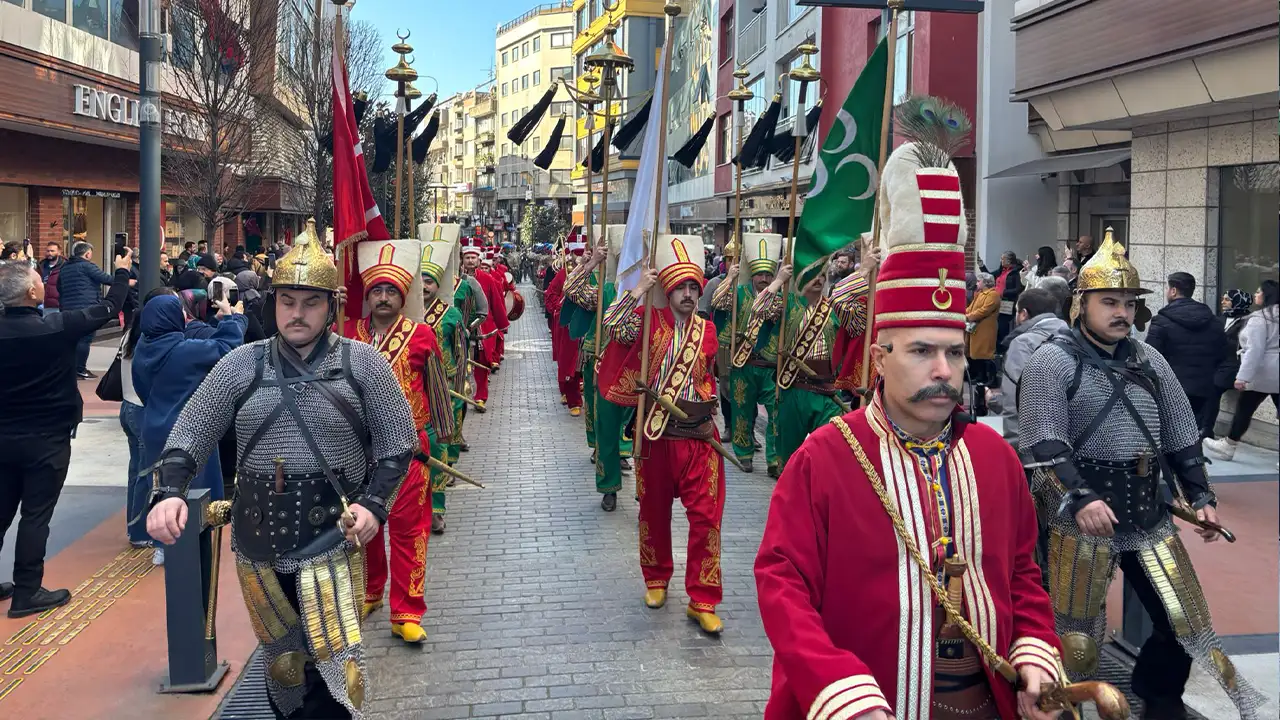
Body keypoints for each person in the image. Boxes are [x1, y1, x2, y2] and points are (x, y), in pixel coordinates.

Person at [755, 141, 1065, 720]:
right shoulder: (825, 456)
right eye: (921, 351)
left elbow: (1023, 573)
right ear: (879, 358)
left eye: (953, 350)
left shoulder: (995, 456)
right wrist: (837, 685)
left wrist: (1035, 651)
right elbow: (782, 583)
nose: (943, 370)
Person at [145, 224, 418, 719]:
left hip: (332, 538)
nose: (296, 313)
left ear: (330, 305)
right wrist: (167, 492)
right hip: (259, 542)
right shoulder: (240, 365)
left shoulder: (365, 366)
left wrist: (374, 503)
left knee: (338, 673)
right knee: (284, 669)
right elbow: (191, 432)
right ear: (273, 303)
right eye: (287, 300)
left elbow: (399, 444)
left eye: (310, 302)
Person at [1018, 232, 1265, 719]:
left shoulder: (1149, 359)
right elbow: (1044, 442)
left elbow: (1178, 431)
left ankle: (1159, 700)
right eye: (1110, 302)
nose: (1122, 313)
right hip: (1079, 512)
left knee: (1185, 625)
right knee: (1077, 638)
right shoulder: (1052, 359)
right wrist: (1081, 497)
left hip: (1148, 512)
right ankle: (1066, 708)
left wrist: (1200, 494)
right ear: (1082, 304)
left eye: (1129, 304)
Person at [599, 234, 726, 635]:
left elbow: (708, 375)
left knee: (706, 518)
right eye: (680, 288)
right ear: (668, 292)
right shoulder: (650, 323)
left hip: (699, 437)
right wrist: (638, 290)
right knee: (653, 515)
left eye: (693, 287)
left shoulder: (707, 330)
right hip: (655, 437)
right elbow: (612, 325)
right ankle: (656, 580)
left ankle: (703, 599)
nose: (688, 294)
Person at [0, 250, 131, 616]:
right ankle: (27, 591)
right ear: (30, 294)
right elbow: (109, 308)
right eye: (38, 281)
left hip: (4, 435)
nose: (43, 283)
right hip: (47, 437)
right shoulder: (57, 327)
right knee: (35, 515)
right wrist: (122, 273)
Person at [344, 239, 453, 644]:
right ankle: (372, 589)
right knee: (364, 527)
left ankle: (406, 610)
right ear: (368, 296)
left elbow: (437, 388)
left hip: (410, 451)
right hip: (359, 451)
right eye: (377, 291)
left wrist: (442, 438)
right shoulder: (349, 334)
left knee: (409, 531)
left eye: (391, 291)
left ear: (402, 295)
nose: (384, 297)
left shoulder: (421, 335)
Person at [739, 253, 871, 471]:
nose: (818, 279)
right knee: (789, 460)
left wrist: (865, 272)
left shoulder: (835, 306)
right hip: (793, 389)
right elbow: (758, 309)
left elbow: (858, 325)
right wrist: (779, 280)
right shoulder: (787, 304)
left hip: (827, 391)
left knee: (833, 449)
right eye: (811, 274)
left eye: (821, 274)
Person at [134, 292, 247, 514]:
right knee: (195, 500)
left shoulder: (143, 348)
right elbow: (227, 348)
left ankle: (161, 546)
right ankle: (190, 546)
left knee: (161, 492)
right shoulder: (183, 351)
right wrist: (231, 317)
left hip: (153, 425)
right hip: (188, 430)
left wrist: (215, 322)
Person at [565, 239, 638, 511]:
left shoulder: (652, 293)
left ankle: (647, 486)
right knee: (605, 429)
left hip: (640, 371)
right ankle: (609, 486)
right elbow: (570, 289)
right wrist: (592, 262)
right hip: (604, 366)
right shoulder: (606, 290)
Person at [710, 233, 783, 476]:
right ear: (752, 274)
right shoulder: (738, 291)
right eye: (760, 274)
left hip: (770, 366)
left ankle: (774, 459)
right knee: (742, 410)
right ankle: (744, 453)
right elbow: (717, 303)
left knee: (775, 412)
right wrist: (729, 279)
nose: (763, 279)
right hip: (743, 362)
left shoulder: (778, 297)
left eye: (768, 275)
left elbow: (771, 314)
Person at [122, 287, 179, 553]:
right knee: (149, 475)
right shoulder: (155, 340)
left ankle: (134, 527)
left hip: (127, 407)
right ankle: (143, 530)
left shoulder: (133, 335)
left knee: (137, 471)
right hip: (143, 410)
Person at [420, 234, 467, 534]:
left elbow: (461, 353)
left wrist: (461, 388)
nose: (424, 285)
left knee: (437, 447)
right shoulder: (403, 314)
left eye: (430, 281)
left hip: (444, 387)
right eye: (420, 280)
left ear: (438, 286)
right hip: (412, 392)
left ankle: (437, 509)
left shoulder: (450, 314)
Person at [1204, 280, 1279, 460]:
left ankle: (1229, 445)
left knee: (1245, 408)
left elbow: (1255, 349)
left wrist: (1243, 376)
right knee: (1246, 407)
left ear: (1266, 295)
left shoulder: (1260, 319)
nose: (1255, 294)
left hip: (1264, 372)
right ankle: (1229, 444)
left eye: (1259, 292)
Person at [1144, 271, 1225, 423]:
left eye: (1168, 288)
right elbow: (1221, 353)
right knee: (1195, 434)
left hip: (1171, 389)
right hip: (1204, 389)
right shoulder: (1214, 321)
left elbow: (1150, 356)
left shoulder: (1161, 321)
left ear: (1173, 291)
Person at [986, 288, 1067, 429]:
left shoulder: (1023, 344)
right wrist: (995, 401)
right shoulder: (1070, 336)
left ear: (1023, 314)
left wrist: (1012, 447)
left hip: (1032, 438)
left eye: (1017, 311)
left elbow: (1016, 404)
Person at [58, 241, 119, 379]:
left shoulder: (64, 268)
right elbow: (106, 279)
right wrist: (124, 278)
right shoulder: (87, 266)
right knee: (85, 339)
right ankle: (80, 369)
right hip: (87, 307)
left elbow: (59, 288)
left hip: (68, 308)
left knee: (73, 339)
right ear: (87, 253)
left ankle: (72, 369)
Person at [1199, 289, 1253, 438]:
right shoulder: (1220, 319)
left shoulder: (1248, 321)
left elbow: (1243, 344)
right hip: (1219, 363)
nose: (1223, 302)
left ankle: (1207, 428)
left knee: (1213, 390)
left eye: (1227, 299)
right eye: (1223, 298)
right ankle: (1204, 427)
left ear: (1237, 302)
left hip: (1235, 365)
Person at [544, 244, 584, 415]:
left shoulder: (596, 275)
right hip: (569, 326)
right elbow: (550, 294)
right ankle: (573, 399)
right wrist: (557, 311)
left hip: (589, 325)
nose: (582, 257)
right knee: (570, 363)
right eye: (579, 254)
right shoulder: (564, 274)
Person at [964, 272, 1000, 386]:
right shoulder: (980, 294)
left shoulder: (993, 295)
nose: (977, 283)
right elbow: (971, 307)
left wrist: (968, 317)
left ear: (985, 282)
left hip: (986, 328)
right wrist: (963, 313)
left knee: (985, 354)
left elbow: (984, 310)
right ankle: (980, 376)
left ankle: (989, 379)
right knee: (977, 353)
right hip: (976, 328)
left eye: (979, 281)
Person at [993, 251, 1022, 345]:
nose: (1001, 261)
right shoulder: (1002, 271)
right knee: (996, 325)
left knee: (1003, 326)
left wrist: (1003, 292)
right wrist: (981, 265)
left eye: (1002, 259)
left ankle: (1003, 347)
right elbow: (990, 274)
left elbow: (1018, 288)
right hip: (998, 301)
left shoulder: (1016, 272)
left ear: (1009, 260)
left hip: (1008, 302)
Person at [38, 241, 65, 315]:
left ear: (59, 252)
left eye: (52, 251)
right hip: (41, 305)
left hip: (57, 306)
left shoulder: (65, 267)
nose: (49, 253)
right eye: (48, 251)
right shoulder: (40, 266)